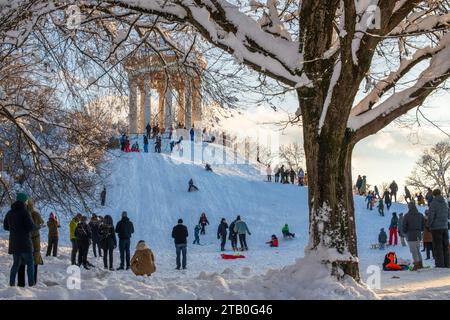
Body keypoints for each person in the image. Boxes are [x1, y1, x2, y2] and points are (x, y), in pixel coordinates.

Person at [3, 193, 36, 287]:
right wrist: (37, 226)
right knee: (30, 263)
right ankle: (31, 285)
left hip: (14, 243)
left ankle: (11, 285)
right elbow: (30, 227)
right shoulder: (25, 212)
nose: (27, 202)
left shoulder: (9, 212)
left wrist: (14, 229)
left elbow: (5, 226)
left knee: (15, 264)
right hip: (25, 243)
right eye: (26, 200)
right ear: (24, 201)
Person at [17, 199, 43, 287]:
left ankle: (21, 284)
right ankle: (33, 283)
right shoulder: (35, 214)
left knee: (22, 262)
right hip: (35, 240)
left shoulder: (20, 214)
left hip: (23, 240)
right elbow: (41, 222)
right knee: (34, 262)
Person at [428, 189, 450, 268]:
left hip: (436, 228)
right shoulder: (445, 203)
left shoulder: (433, 203)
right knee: (446, 247)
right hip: (445, 227)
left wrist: (429, 225)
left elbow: (431, 216)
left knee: (438, 247)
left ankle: (440, 265)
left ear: (434, 195)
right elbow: (448, 215)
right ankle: (447, 264)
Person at [402, 201, 425, 270]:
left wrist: (405, 232)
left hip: (411, 235)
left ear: (409, 207)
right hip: (418, 234)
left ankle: (416, 264)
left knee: (413, 251)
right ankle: (420, 264)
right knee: (418, 250)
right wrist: (420, 230)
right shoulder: (420, 215)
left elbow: (404, 226)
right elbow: (423, 225)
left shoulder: (407, 215)